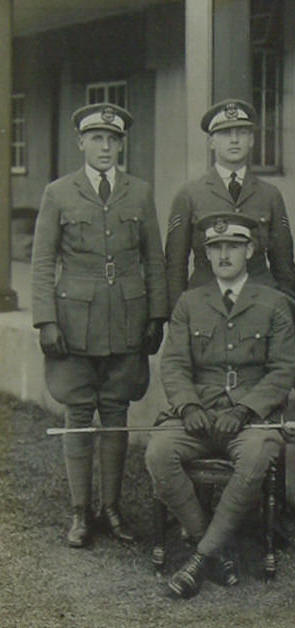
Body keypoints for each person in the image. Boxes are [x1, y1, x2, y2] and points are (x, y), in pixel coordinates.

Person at [31, 103, 168, 548]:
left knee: (116, 414)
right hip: (73, 323)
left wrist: (156, 314)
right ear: (82, 143)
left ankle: (111, 508)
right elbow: (42, 261)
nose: (105, 147)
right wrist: (46, 319)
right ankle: (79, 512)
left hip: (127, 320)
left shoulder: (140, 192)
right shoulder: (58, 193)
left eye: (113, 140)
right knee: (77, 414)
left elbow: (154, 258)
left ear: (121, 144)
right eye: (97, 139)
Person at [145, 212, 295, 598]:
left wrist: (245, 410)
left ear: (250, 249)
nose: (224, 255)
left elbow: (282, 369)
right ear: (207, 255)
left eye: (233, 246)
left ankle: (199, 559)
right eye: (215, 249)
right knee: (159, 452)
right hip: (199, 417)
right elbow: (175, 364)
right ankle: (217, 549)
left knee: (257, 454)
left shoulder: (274, 303)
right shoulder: (189, 303)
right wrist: (188, 407)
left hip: (248, 422)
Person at [165, 98, 295, 311]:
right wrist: (177, 314)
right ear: (211, 142)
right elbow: (175, 266)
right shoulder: (189, 194)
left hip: (259, 304)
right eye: (226, 134)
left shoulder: (270, 195)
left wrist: (286, 310)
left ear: (252, 140)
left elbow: (284, 266)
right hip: (204, 305)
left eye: (242, 133)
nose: (234, 140)